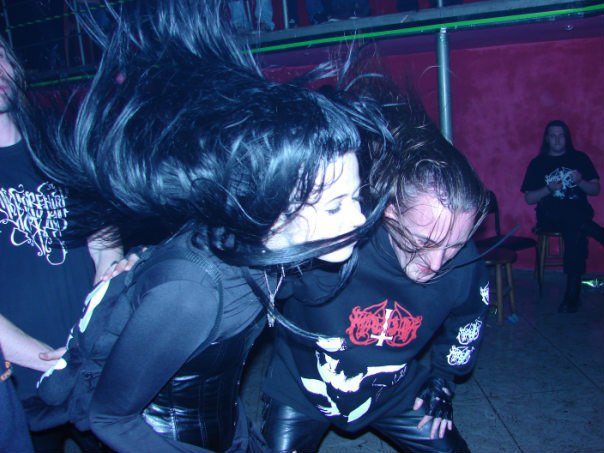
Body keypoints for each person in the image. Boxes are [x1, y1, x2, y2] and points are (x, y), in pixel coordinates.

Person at [32, 1, 388, 451]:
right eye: (336, 206)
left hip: (223, 432)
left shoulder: (262, 246)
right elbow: (110, 418)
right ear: (273, 208)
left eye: (356, 197)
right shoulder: (192, 294)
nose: (359, 219)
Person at [261, 97, 491, 452]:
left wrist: (444, 380)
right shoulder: (339, 241)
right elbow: (260, 291)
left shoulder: (464, 263)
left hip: (390, 387)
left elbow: (469, 316)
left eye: (455, 245)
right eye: (423, 242)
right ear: (390, 211)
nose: (437, 263)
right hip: (304, 385)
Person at [0, 33, 124, 452]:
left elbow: (102, 231)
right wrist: (49, 360)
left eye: (1, 56)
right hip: (20, 384)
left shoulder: (58, 144)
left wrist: (110, 268)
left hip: (92, 366)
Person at [521, 120, 603, 313]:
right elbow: (529, 198)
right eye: (553, 136)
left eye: (561, 135)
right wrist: (548, 189)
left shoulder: (580, 158)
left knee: (574, 229)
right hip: (550, 216)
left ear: (567, 138)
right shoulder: (538, 163)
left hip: (578, 215)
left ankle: (572, 296)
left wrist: (580, 181)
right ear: (547, 139)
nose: (557, 140)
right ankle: (572, 294)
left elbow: (595, 190)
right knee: (575, 223)